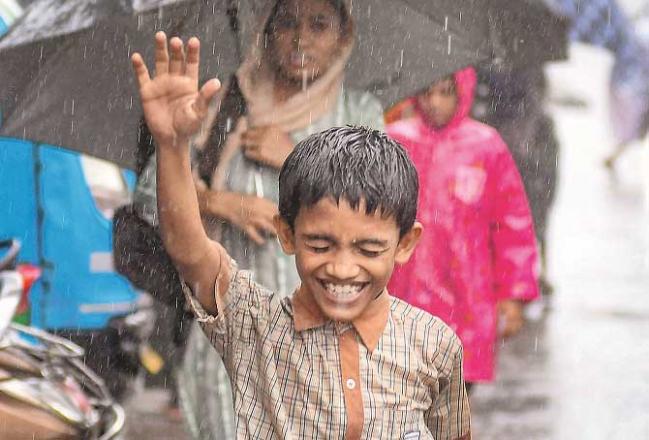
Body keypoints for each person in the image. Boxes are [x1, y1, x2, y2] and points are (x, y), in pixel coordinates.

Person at [130, 32, 472, 439]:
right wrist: (171, 146)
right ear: (287, 234)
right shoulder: (257, 327)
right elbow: (189, 251)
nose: (342, 268)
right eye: (320, 245)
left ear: (404, 244)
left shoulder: (433, 345)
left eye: (368, 248)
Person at [131, 0, 384, 433]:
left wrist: (296, 159)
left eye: (319, 24)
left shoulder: (359, 115)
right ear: (264, 31)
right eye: (286, 23)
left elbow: (378, 215)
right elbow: (151, 197)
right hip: (229, 346)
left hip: (326, 342)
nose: (301, 38)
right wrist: (220, 202)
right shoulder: (226, 102)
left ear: (343, 37)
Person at [386, 68, 540, 389]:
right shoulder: (397, 139)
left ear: (462, 93)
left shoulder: (485, 146)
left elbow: (512, 225)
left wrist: (513, 296)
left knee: (454, 397)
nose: (434, 102)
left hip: (466, 296)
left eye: (445, 92)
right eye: (427, 92)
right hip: (404, 290)